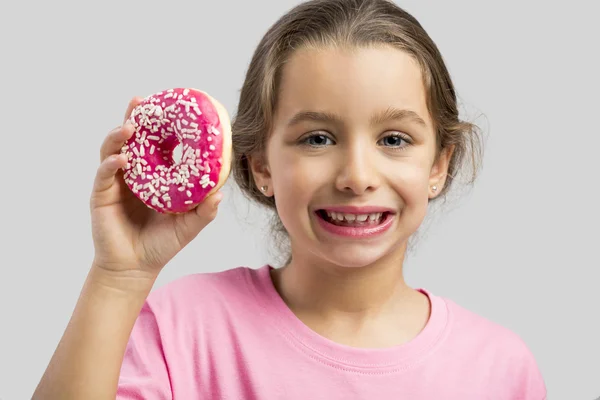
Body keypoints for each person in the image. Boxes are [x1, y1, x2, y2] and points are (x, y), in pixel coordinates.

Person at [33, 0, 547, 398]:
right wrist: (118, 278)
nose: (357, 176)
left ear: (438, 165)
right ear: (260, 165)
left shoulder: (500, 368)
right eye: (317, 138)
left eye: (394, 139)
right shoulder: (182, 330)